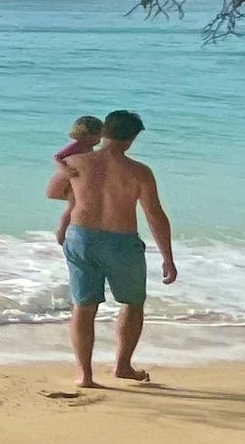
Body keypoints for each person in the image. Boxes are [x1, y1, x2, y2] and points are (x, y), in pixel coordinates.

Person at [48, 109, 176, 388]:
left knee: (84, 305)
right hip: (121, 242)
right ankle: (122, 366)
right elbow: (154, 214)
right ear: (130, 139)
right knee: (132, 303)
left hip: (81, 238)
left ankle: (85, 375)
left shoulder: (76, 161)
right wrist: (167, 257)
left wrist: (79, 193)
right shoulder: (139, 172)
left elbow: (53, 192)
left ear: (103, 133)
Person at [50, 115, 102, 244]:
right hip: (71, 181)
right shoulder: (77, 145)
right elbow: (57, 157)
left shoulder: (88, 147)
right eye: (98, 136)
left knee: (76, 206)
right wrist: (63, 170)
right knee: (73, 207)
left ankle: (74, 229)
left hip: (78, 180)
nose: (99, 140)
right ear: (87, 135)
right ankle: (61, 232)